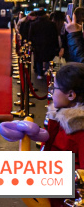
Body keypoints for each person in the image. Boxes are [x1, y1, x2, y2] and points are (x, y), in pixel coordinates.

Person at [43, 63, 84, 206]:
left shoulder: (79, 129)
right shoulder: (61, 117)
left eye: (54, 88)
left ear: (71, 95)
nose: (51, 92)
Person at [30, 10, 62, 78]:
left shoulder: (33, 24)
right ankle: (47, 72)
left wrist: (32, 45)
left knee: (38, 60)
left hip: (38, 45)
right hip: (49, 44)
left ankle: (40, 74)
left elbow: (31, 36)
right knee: (49, 59)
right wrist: (56, 46)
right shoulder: (51, 24)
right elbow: (55, 35)